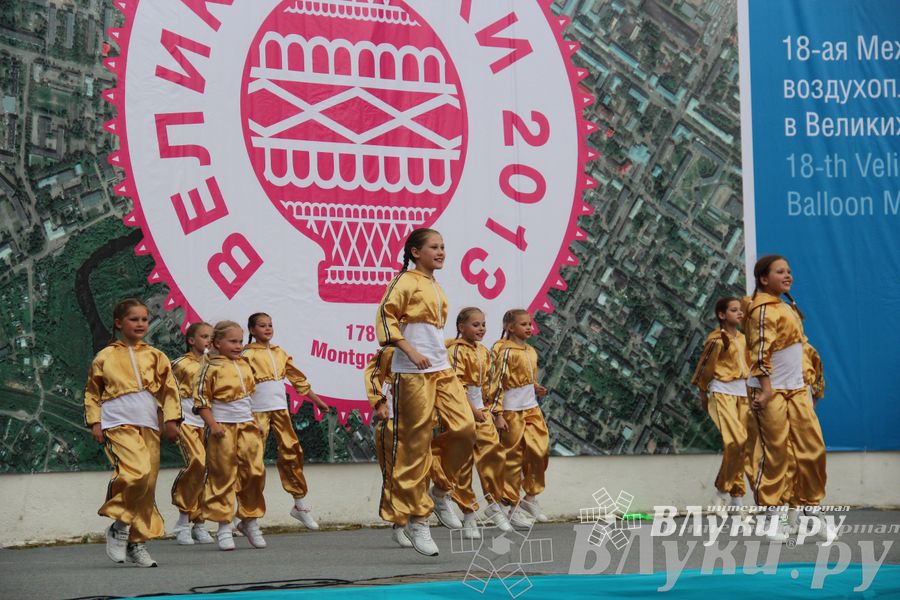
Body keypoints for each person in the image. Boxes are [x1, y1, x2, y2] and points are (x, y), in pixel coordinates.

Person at [374, 227, 476, 557]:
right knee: (414, 447)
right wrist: (409, 350)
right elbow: (386, 317)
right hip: (412, 372)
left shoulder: (435, 285)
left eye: (443, 246)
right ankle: (419, 519)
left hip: (441, 370)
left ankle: (441, 489)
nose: (441, 251)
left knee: (464, 428)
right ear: (416, 252)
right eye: (434, 246)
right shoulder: (404, 281)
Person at [83, 298, 181, 567]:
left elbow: (170, 390)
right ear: (119, 323)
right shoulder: (105, 357)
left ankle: (136, 542)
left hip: (148, 424)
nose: (140, 324)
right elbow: (93, 393)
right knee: (135, 472)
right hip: (117, 423)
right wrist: (95, 422)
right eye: (133, 319)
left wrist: (171, 420)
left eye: (144, 319)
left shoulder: (155, 356)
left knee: (146, 485)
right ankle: (119, 526)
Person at [745, 255, 833, 542]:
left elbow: (800, 347)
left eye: (789, 271)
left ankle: (805, 510)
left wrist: (811, 381)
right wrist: (767, 389)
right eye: (780, 271)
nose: (788, 275)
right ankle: (771, 516)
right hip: (772, 391)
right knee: (776, 453)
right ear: (763, 279)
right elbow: (760, 354)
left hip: (796, 389)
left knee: (812, 449)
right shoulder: (761, 311)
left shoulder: (785, 306)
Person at [242, 312, 330, 530]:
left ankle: (299, 505)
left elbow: (299, 380)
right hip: (256, 414)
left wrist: (318, 402)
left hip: (280, 412)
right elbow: (239, 386)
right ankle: (245, 513)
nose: (267, 328)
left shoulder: (279, 353)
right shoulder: (246, 355)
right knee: (252, 462)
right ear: (252, 330)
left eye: (270, 325)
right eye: (262, 325)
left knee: (292, 452)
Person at [194, 321, 266, 551]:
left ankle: (249, 519)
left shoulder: (245, 365)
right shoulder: (210, 367)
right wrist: (213, 425)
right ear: (217, 343)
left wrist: (255, 421)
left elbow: (248, 398)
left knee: (255, 472)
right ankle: (224, 526)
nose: (238, 346)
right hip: (223, 427)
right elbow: (202, 401)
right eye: (232, 341)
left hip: (247, 426)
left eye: (240, 341)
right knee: (223, 474)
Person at [443, 307, 513, 538]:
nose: (481, 328)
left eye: (483, 324)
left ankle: (493, 504)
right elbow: (454, 384)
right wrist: (471, 410)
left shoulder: (485, 352)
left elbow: (492, 386)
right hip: (460, 411)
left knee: (493, 453)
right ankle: (469, 514)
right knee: (463, 463)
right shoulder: (454, 351)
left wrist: (496, 412)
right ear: (461, 327)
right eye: (475, 325)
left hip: (481, 411)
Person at [487, 309, 550, 528]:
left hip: (532, 409)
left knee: (540, 451)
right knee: (512, 460)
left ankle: (529, 498)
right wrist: (497, 413)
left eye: (530, 324)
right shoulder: (503, 351)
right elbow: (496, 381)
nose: (528, 327)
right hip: (511, 411)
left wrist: (535, 387)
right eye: (523, 324)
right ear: (509, 327)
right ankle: (511, 507)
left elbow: (527, 376)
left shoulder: (531, 350)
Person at [691, 297, 753, 510]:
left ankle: (736, 499)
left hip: (742, 395)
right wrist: (703, 393)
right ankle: (721, 490)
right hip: (722, 393)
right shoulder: (716, 340)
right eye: (733, 310)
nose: (739, 313)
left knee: (741, 446)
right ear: (722, 315)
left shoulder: (744, 339)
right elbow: (704, 367)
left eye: (740, 310)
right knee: (736, 441)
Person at [363, 345, 413, 549]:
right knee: (396, 474)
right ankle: (399, 524)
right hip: (394, 421)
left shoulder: (429, 349)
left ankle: (419, 518)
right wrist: (379, 403)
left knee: (421, 473)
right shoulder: (390, 352)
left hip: (419, 423)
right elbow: (373, 375)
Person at [170, 322, 215, 545]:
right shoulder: (179, 364)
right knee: (196, 463)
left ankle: (199, 523)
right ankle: (182, 520)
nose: (208, 340)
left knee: (207, 470)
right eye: (204, 336)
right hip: (186, 419)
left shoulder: (215, 364)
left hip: (208, 422)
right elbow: (166, 391)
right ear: (191, 340)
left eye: (211, 337)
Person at [803, 340, 826, 405]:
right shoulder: (772, 349)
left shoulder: (807, 349)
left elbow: (818, 375)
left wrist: (815, 392)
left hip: (803, 401)